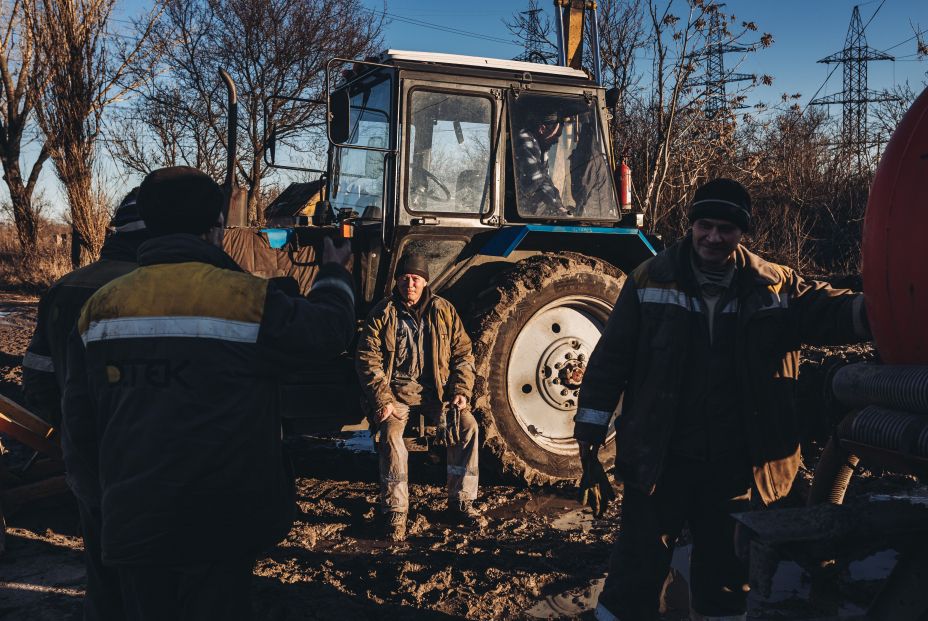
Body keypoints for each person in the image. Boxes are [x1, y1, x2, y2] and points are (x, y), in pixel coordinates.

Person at [61, 166, 355, 621]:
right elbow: (328, 333)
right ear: (215, 229)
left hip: (134, 522)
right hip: (220, 524)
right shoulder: (247, 300)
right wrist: (334, 273)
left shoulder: (100, 309)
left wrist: (106, 506)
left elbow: (78, 427)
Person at [574, 178, 870, 621]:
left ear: (741, 233)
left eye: (726, 229)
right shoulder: (649, 280)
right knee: (635, 573)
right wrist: (589, 445)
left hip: (735, 467)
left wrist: (891, 303)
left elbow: (834, 311)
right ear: (691, 225)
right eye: (705, 225)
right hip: (662, 461)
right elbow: (608, 364)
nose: (713, 237)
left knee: (727, 577)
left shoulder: (774, 286)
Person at [22, 189, 148, 621]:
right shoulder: (151, 290)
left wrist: (59, 423)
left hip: (84, 447)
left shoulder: (64, 287)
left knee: (101, 561)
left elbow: (36, 373)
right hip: (147, 448)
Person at [356, 253, 481, 542]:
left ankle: (461, 501)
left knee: (468, 427)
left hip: (437, 397)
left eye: (415, 279)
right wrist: (382, 400)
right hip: (397, 397)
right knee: (390, 435)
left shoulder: (444, 311)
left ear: (425, 282)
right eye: (404, 279)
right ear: (397, 282)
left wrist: (461, 392)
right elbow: (367, 359)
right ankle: (395, 510)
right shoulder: (383, 313)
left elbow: (463, 354)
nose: (409, 284)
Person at [514, 111, 570, 217]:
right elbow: (534, 181)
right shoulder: (525, 140)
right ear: (542, 128)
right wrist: (558, 208)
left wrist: (560, 207)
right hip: (519, 209)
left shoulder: (541, 149)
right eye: (557, 135)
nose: (556, 140)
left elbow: (544, 179)